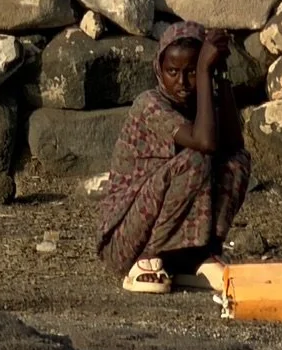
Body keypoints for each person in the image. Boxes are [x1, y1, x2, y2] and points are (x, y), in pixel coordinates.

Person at [96, 21, 252, 294]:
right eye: (173, 71)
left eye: (191, 72)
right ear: (159, 69)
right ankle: (147, 262)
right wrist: (203, 70)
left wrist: (220, 73)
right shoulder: (149, 104)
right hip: (127, 240)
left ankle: (195, 257)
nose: (182, 82)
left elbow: (233, 145)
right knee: (196, 158)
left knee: (235, 161)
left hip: (169, 235)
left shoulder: (202, 104)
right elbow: (203, 143)